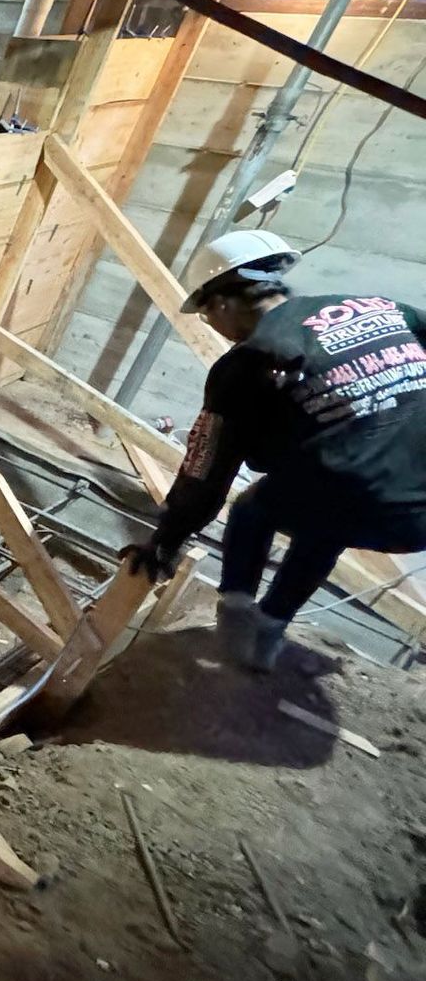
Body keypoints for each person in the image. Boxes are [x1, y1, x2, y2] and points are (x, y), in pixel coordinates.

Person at [122, 229, 426, 671]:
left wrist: (165, 542)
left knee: (252, 509)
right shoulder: (383, 309)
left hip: (367, 502)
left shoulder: (247, 363)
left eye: (207, 317)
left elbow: (206, 472)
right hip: (417, 516)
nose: (215, 329)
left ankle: (237, 624)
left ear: (221, 303)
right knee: (325, 517)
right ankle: (270, 627)